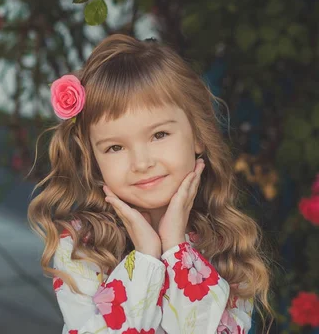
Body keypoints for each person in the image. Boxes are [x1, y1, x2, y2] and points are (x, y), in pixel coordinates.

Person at [27, 35, 272, 333]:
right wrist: (144, 257)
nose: (141, 163)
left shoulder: (226, 242)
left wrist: (176, 248)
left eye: (159, 135)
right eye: (115, 148)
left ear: (197, 136)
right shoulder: (81, 246)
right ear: (94, 160)